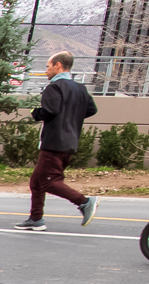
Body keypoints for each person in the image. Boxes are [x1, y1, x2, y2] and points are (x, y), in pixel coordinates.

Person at [17, 52, 98, 231]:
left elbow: (50, 110)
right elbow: (92, 109)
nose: (46, 70)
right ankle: (36, 218)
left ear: (58, 65)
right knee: (37, 181)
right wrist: (71, 116)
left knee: (49, 181)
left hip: (54, 142)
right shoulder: (80, 88)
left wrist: (35, 112)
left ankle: (84, 202)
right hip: (70, 142)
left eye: (48, 66)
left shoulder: (54, 87)